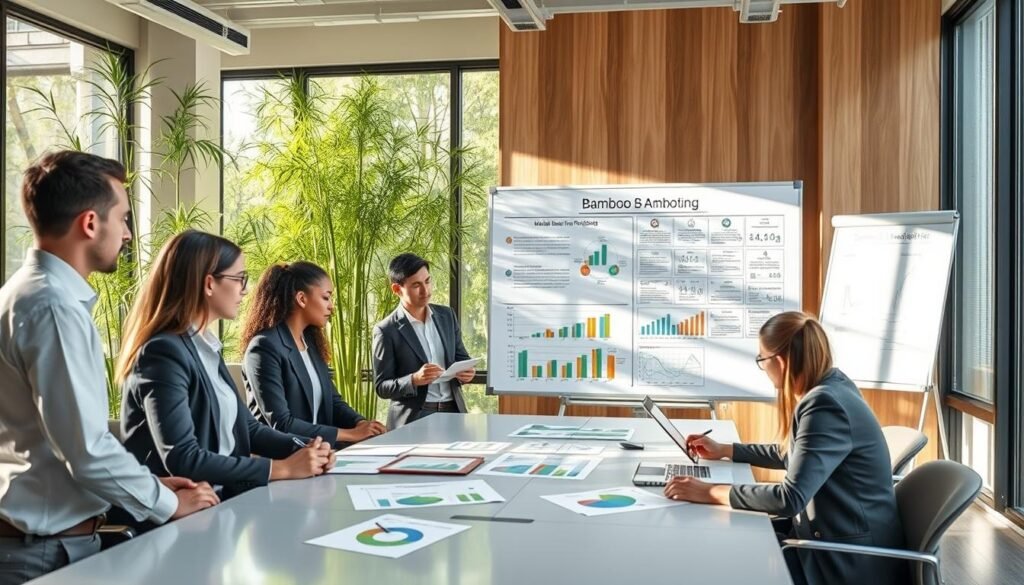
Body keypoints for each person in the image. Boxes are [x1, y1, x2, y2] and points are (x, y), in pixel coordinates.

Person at [0, 152, 219, 585]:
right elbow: (86, 449)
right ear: (89, 223)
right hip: (45, 551)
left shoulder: (24, 293)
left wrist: (153, 485)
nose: (128, 234)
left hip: (42, 542)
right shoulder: (53, 308)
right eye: (122, 218)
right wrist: (167, 503)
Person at [663, 311, 908, 585]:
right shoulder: (833, 384)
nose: (763, 368)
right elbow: (794, 454)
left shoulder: (824, 404)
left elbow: (790, 498)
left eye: (761, 359)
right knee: (730, 540)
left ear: (779, 361)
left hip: (847, 562)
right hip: (834, 540)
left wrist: (708, 491)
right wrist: (726, 449)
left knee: (726, 556)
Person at [116, 231, 335, 500]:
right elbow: (183, 457)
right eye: (239, 279)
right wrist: (281, 468)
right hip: (183, 514)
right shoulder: (163, 352)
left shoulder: (206, 346)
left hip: (220, 502)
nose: (245, 290)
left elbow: (249, 429)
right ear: (209, 283)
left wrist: (308, 448)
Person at [241, 261, 386, 447]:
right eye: (326, 298)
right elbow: (282, 424)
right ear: (301, 299)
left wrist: (361, 424)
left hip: (321, 452)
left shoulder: (310, 342)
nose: (331, 306)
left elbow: (332, 401)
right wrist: (351, 434)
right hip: (286, 457)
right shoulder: (263, 347)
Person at [372, 253, 475, 430]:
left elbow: (461, 358)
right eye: (416, 285)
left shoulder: (446, 316)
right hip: (414, 418)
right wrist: (414, 379)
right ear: (397, 289)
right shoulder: (386, 330)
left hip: (453, 413)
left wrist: (467, 373)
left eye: (427, 281)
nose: (425, 291)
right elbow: (382, 386)